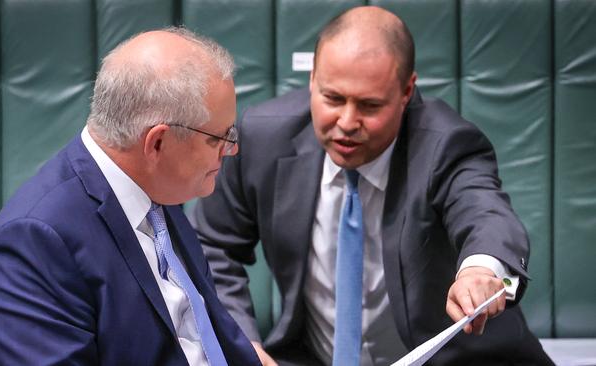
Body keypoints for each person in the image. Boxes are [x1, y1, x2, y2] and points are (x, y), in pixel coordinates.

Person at [189, 6, 553, 366]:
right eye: (332, 98)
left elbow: (487, 214)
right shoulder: (264, 137)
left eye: (370, 105)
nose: (347, 122)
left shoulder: (446, 145)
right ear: (313, 78)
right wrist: (243, 342)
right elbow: (212, 245)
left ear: (407, 90)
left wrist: (482, 270)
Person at [0, 28, 261, 365]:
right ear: (158, 143)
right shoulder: (33, 245)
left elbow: (203, 330)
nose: (232, 149)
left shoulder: (155, 190)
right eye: (218, 138)